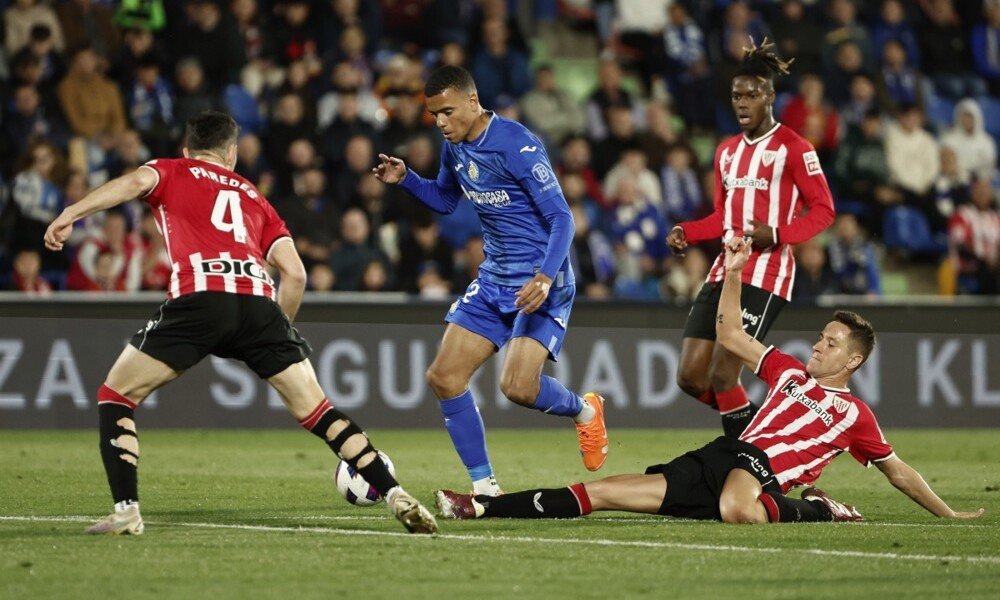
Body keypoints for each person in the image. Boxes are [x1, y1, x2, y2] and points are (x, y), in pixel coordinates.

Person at [43, 111, 437, 536]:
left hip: (201, 296)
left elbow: (134, 183)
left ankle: (126, 512)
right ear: (232, 153)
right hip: (258, 304)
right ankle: (396, 493)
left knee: (116, 395)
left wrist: (72, 212)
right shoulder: (254, 195)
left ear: (187, 149)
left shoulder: (170, 170)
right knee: (321, 413)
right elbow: (297, 274)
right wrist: (277, 332)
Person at [434, 238, 985, 525]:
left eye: (833, 343)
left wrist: (949, 512)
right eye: (822, 336)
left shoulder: (853, 416)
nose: (819, 345)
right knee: (602, 494)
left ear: (854, 362)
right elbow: (729, 332)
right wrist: (736, 271)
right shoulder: (786, 369)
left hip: (762, 474)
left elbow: (898, 471)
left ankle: (819, 508)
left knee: (739, 509)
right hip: (725, 456)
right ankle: (482, 507)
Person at [373, 66, 608, 497]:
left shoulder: (516, 144)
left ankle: (585, 411)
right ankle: (485, 487)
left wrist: (544, 276)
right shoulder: (454, 147)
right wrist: (406, 179)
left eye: (447, 112)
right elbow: (445, 200)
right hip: (495, 277)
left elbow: (562, 217)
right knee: (444, 377)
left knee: (517, 387)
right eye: (434, 115)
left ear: (472, 101)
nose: (441, 122)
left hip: (542, 282)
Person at [667, 38, 835, 438]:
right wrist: (686, 231)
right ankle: (770, 433)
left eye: (752, 95)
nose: (742, 103)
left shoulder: (795, 148)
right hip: (725, 271)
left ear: (770, 97)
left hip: (767, 274)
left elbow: (824, 210)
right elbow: (725, 218)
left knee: (725, 375)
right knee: (691, 378)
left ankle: (747, 457)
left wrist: (777, 233)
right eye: (736, 96)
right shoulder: (726, 151)